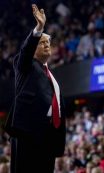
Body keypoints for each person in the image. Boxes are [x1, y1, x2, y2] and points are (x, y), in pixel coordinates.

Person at [4, 4, 66, 173]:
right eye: (42, 42)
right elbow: (25, 51)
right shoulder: (24, 65)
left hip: (47, 137)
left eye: (48, 42)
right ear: (33, 48)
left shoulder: (51, 76)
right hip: (28, 132)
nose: (47, 45)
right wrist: (38, 29)